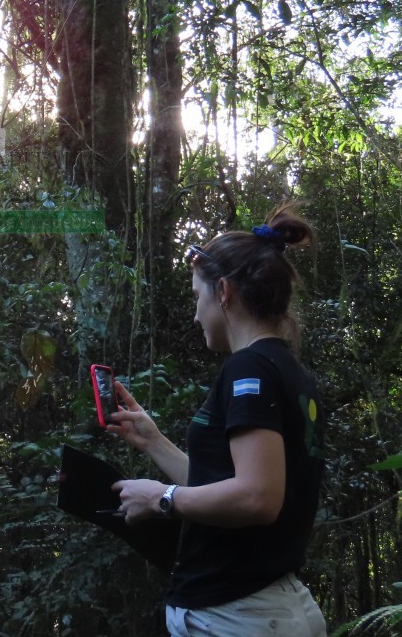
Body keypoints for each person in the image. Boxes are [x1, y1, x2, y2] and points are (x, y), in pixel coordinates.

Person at [107, 205, 327, 636]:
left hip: (237, 615)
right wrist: (153, 441)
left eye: (197, 297)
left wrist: (160, 498)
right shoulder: (290, 372)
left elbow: (256, 498)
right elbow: (226, 484)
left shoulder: (249, 370)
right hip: (265, 607)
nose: (195, 314)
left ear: (223, 291)